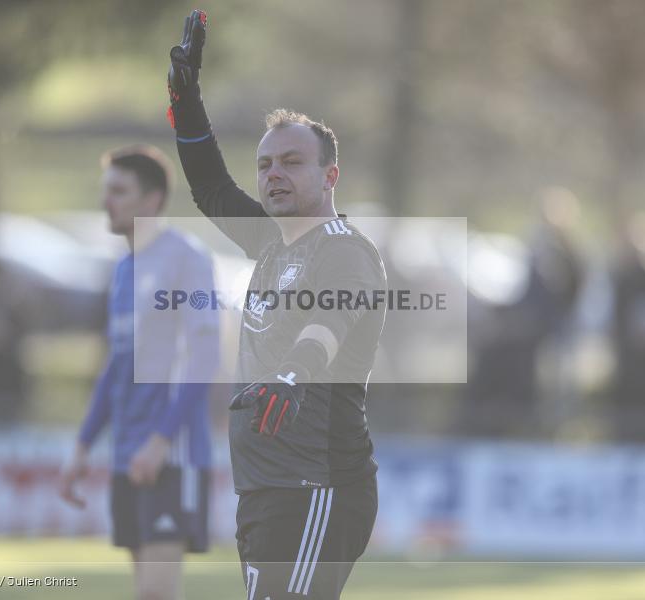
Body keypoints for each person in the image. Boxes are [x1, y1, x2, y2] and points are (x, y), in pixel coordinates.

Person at [167, 10, 387, 599]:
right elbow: (211, 188)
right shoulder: (270, 240)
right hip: (265, 484)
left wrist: (294, 372)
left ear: (330, 175)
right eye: (265, 164)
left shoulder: (345, 252)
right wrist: (186, 102)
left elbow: (327, 324)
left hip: (318, 484)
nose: (273, 175)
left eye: (292, 162)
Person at [59, 145, 219, 600]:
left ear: (151, 201)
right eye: (105, 190)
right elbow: (117, 365)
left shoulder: (188, 259)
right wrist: (82, 445)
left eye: (118, 191)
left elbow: (204, 356)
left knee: (156, 594)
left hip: (171, 454)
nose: (105, 201)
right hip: (129, 453)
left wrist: (162, 439)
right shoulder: (124, 269)